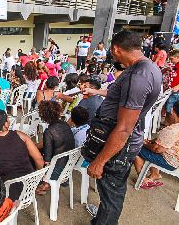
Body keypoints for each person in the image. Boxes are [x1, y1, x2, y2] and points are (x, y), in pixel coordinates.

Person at [82, 31, 162, 224]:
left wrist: (100, 161)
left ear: (116, 49)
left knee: (111, 193)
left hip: (119, 145)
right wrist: (95, 91)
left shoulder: (138, 77)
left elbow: (124, 128)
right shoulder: (148, 67)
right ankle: (103, 216)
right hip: (124, 142)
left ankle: (105, 220)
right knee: (112, 188)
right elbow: (117, 95)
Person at [0, 110, 44, 200]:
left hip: (5, 193)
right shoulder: (21, 135)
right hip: (29, 187)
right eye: (7, 120)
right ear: (5, 124)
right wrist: (38, 179)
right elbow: (39, 159)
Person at [133, 101, 179, 189]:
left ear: (172, 111)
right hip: (175, 160)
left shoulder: (172, 129)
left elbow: (157, 149)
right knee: (148, 148)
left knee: (134, 148)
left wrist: (145, 144)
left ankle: (143, 180)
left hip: (169, 162)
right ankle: (155, 174)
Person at [35, 100, 75, 194]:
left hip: (56, 169)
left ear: (43, 116)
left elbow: (47, 160)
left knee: (35, 156)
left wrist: (46, 179)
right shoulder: (65, 124)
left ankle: (44, 184)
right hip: (68, 164)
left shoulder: (49, 132)